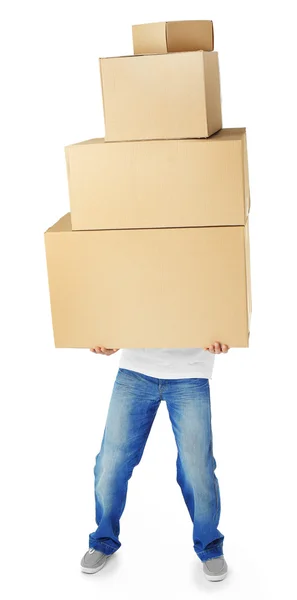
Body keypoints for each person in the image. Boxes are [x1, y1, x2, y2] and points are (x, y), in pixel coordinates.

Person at [81, 342, 229, 582]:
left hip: (190, 373)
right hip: (135, 371)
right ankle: (103, 539)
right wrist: (109, 339)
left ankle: (209, 546)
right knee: (110, 464)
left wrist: (222, 336)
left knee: (197, 467)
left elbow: (227, 316)